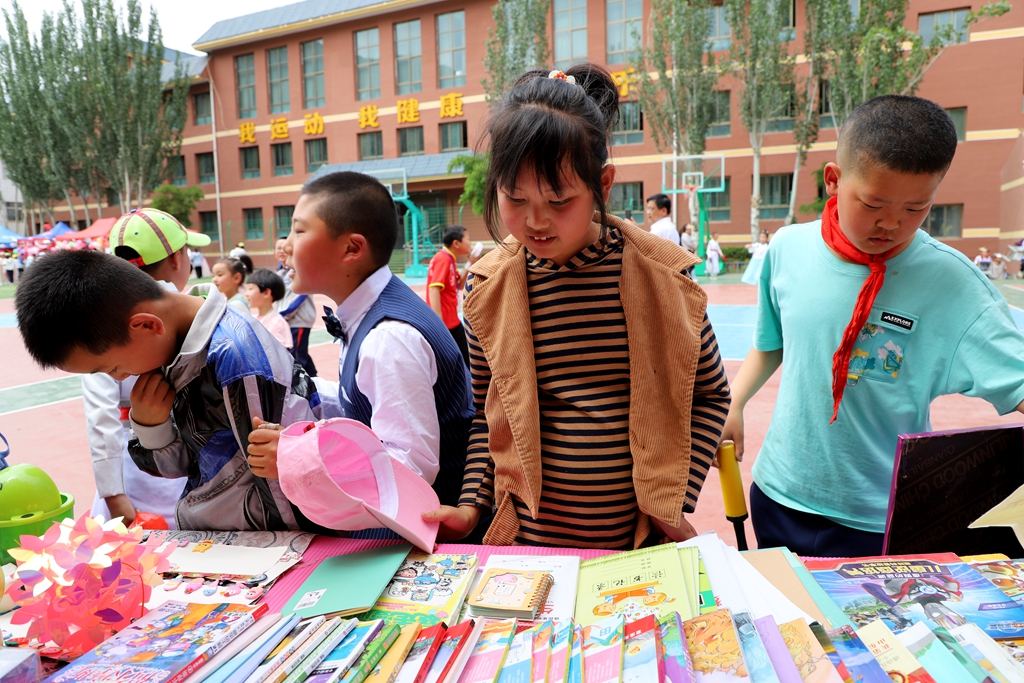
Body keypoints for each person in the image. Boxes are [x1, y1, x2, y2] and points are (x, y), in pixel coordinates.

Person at [423, 64, 732, 549]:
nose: (536, 221)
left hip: (635, 543)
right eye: (515, 198)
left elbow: (711, 396)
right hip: (527, 544)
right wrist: (469, 506)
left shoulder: (662, 277)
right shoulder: (488, 289)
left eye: (559, 199)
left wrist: (673, 500)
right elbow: (488, 416)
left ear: (602, 185)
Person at [721, 95, 1024, 558]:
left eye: (916, 208)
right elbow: (770, 344)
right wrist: (736, 402)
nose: (891, 224)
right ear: (834, 179)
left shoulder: (953, 283)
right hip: (778, 496)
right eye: (873, 203)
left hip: (880, 520)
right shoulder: (787, 248)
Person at [14, 249, 324, 531]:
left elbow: (277, 496)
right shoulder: (173, 350)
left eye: (112, 368)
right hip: (217, 531)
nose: (121, 376)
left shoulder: (234, 359)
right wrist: (152, 428)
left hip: (259, 543)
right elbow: (187, 467)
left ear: (147, 325)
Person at [253, 171, 474, 513]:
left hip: (433, 541)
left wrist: (294, 460)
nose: (286, 246)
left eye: (299, 230)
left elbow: (409, 467)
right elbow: (362, 401)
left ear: (352, 248)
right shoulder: (367, 313)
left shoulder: (388, 338)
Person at [86, 208, 200, 527]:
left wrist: (113, 494)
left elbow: (100, 417)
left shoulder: (100, 326)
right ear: (177, 259)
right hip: (196, 473)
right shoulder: (197, 313)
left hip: (130, 478)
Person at [426, 225, 475, 365]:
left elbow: (459, 285)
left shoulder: (449, 258)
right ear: (456, 243)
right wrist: (439, 323)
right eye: (468, 239)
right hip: (446, 323)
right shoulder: (444, 259)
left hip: (451, 321)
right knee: (463, 357)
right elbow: (434, 288)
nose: (470, 242)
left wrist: (470, 264)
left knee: (465, 355)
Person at [274, 238, 318, 377]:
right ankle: (314, 379)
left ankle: (304, 390)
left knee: (296, 356)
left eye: (284, 248)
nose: (281, 251)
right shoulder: (280, 272)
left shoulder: (299, 269)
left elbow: (299, 298)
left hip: (297, 320)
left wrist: (281, 316)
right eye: (278, 248)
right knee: (300, 352)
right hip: (286, 320)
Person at [245, 268, 293, 349]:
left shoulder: (277, 322)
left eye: (250, 289)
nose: (246, 294)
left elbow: (277, 354)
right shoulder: (253, 318)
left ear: (266, 292)